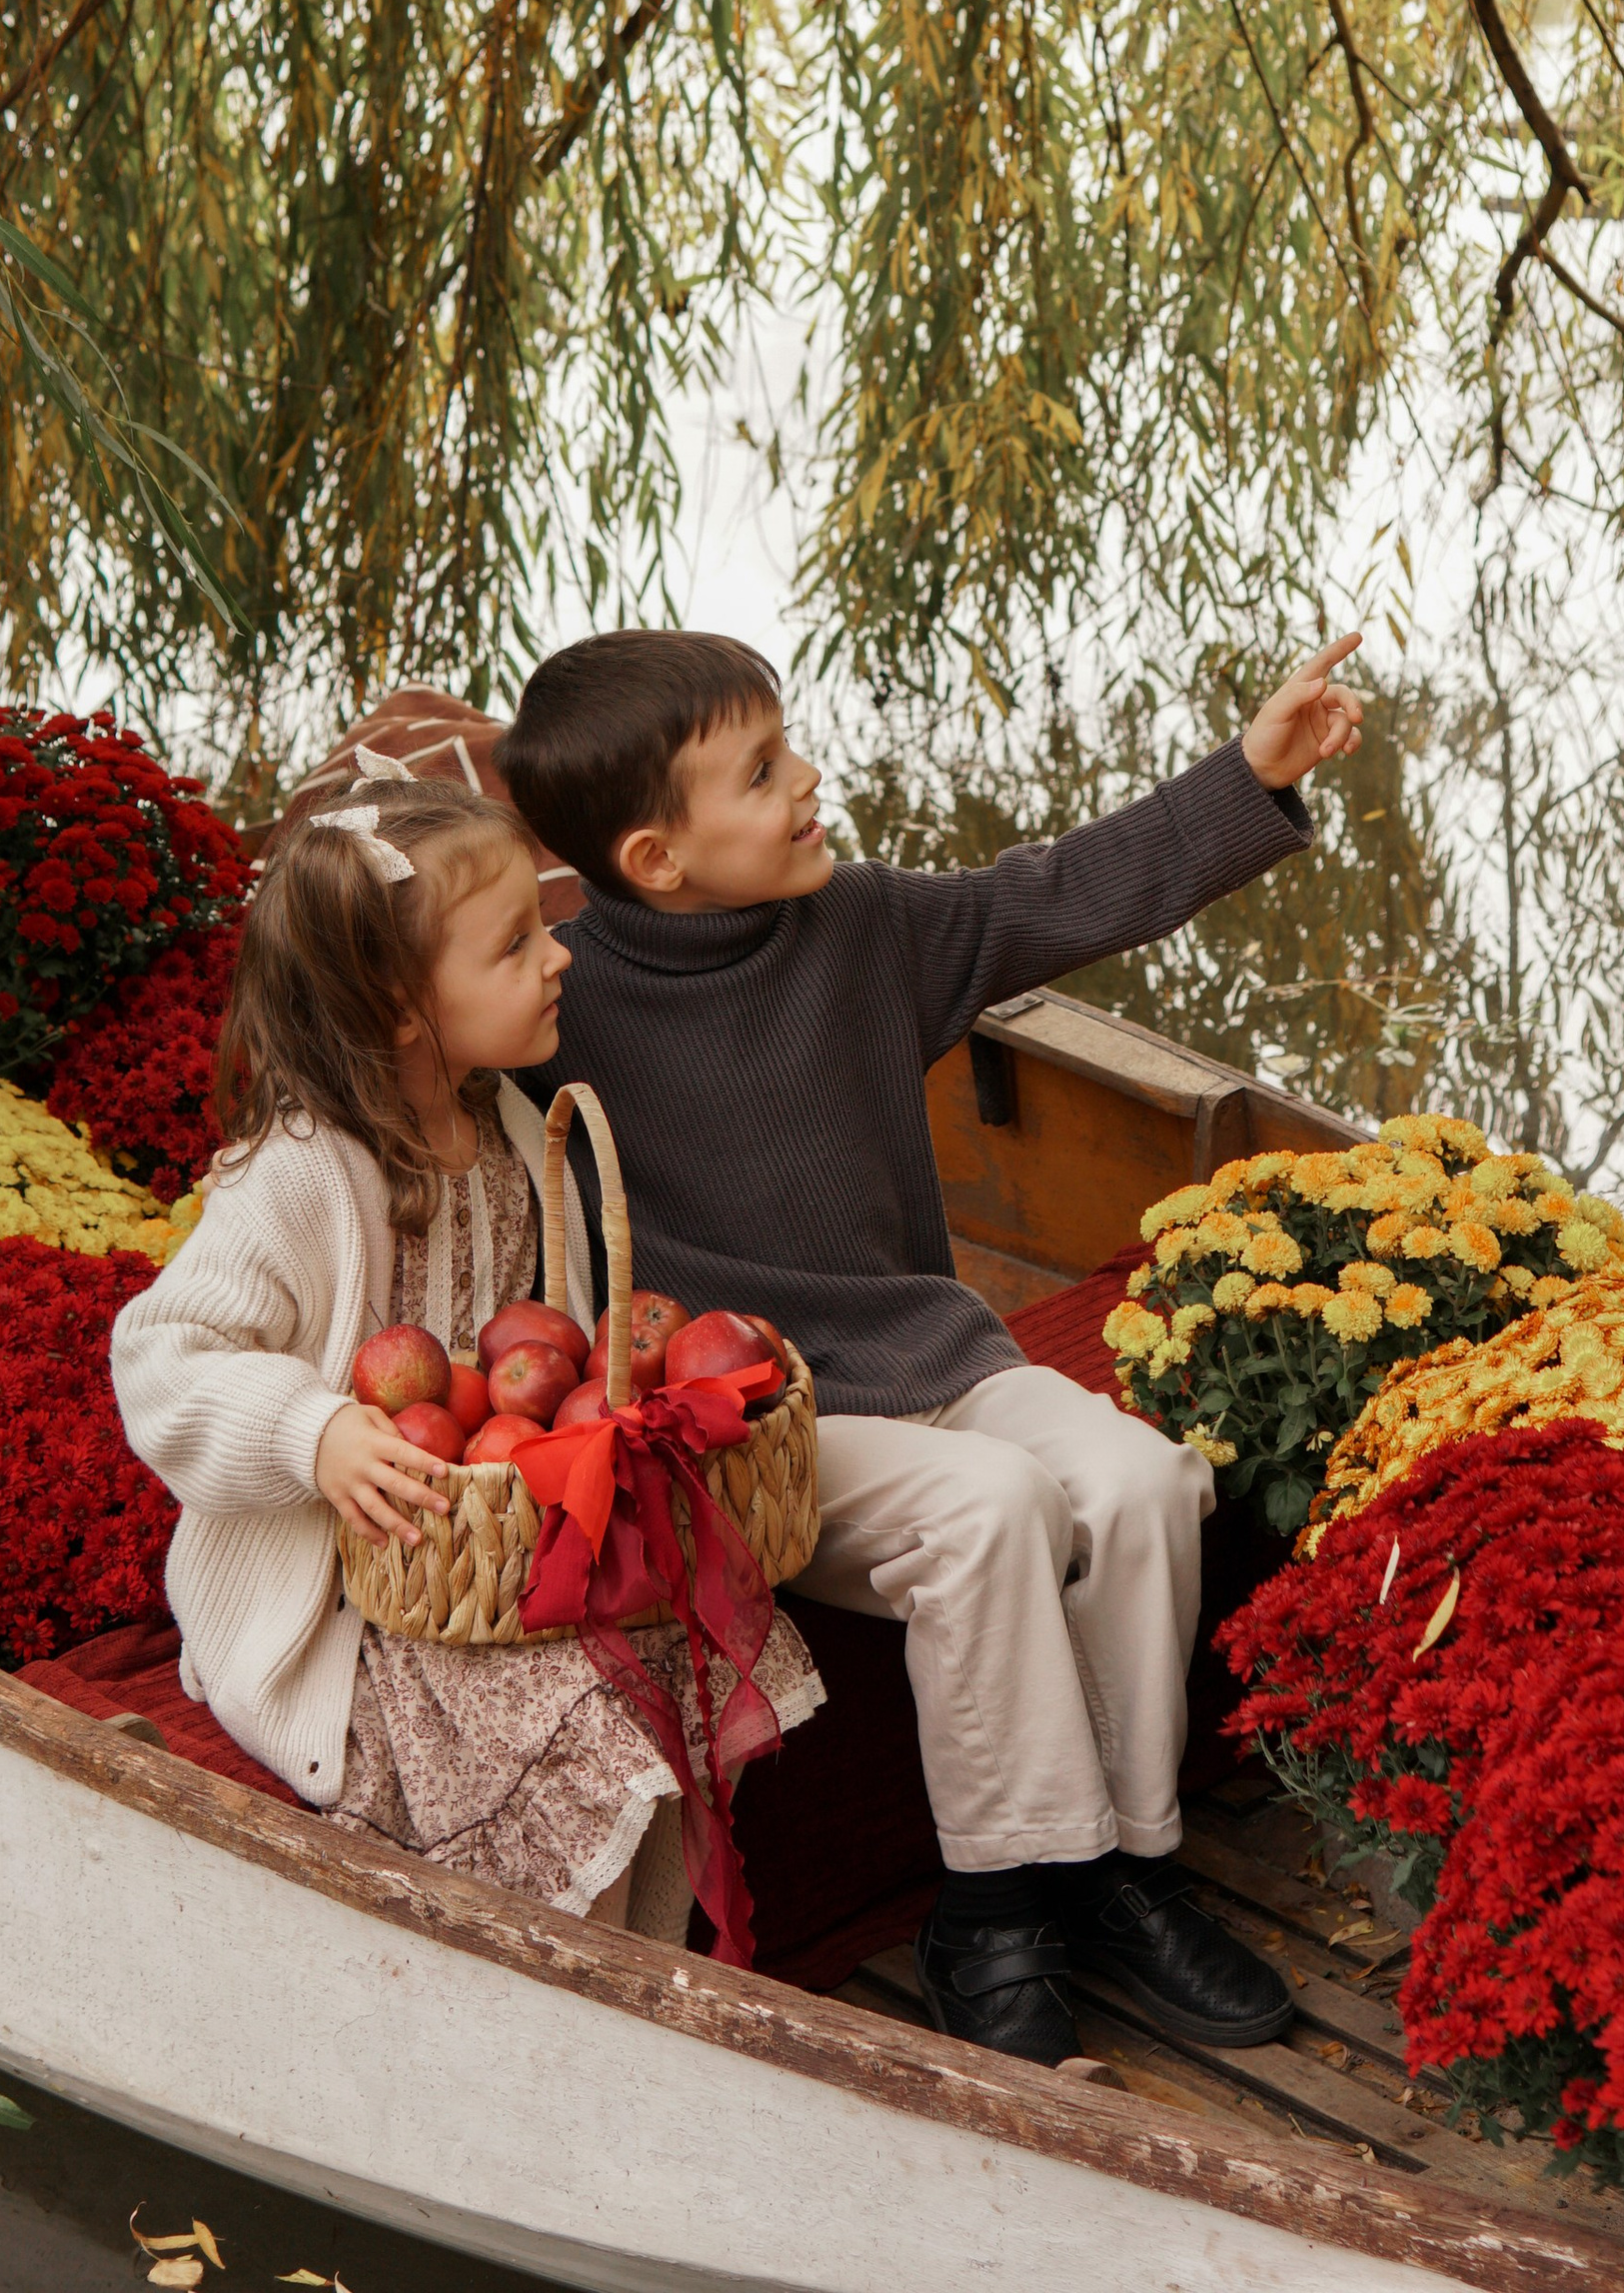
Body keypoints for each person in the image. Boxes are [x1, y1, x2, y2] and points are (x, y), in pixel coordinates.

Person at [496, 628, 1362, 2061]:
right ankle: (994, 1914)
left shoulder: (867, 927)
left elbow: (1062, 892)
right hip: (761, 1425)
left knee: (1142, 1483)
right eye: (764, 772)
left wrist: (1250, 775)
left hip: (937, 1357)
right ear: (656, 859)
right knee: (992, 1509)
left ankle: (1123, 1875)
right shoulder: (559, 1007)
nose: (809, 781)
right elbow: (404, 1032)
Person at [112, 775, 817, 1932]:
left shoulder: (503, 1126)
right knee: (596, 1714)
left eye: (542, 929)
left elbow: (549, 1346)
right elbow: (159, 1354)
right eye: (513, 946)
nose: (557, 959)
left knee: (684, 1669)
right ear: (399, 1007)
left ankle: (649, 1972)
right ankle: (569, 1984)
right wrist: (315, 1430)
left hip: (499, 1558)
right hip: (363, 1599)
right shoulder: (297, 1172)